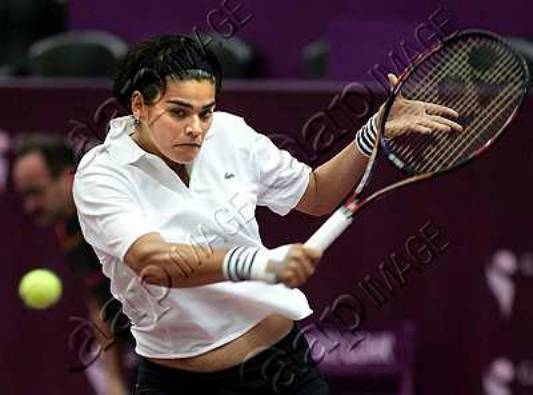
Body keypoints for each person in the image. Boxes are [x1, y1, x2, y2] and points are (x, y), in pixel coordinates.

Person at [72, 34, 462, 394]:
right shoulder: (102, 173)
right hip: (178, 383)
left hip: (283, 370)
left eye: (205, 112)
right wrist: (263, 264)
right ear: (139, 105)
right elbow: (153, 262)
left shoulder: (230, 134)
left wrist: (373, 131)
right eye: (179, 112)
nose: (195, 128)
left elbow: (315, 193)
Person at [12, 134, 134, 395]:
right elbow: (98, 301)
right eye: (25, 195)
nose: (30, 206)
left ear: (67, 177)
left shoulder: (112, 215)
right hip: (139, 345)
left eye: (37, 192)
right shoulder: (65, 228)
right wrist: (111, 375)